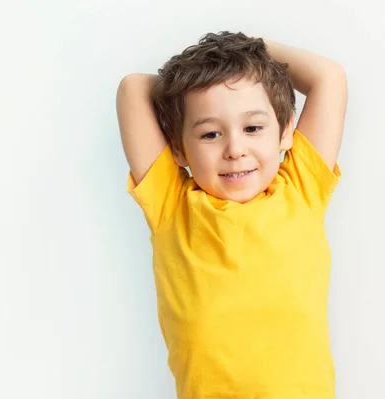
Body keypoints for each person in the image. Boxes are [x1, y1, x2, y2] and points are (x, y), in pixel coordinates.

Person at [115, 31, 348, 399]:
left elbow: (328, 78)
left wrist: (248, 56)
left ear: (286, 131)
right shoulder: (171, 205)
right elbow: (132, 89)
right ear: (178, 148)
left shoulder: (303, 188)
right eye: (210, 134)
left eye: (253, 127)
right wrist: (196, 78)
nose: (235, 149)